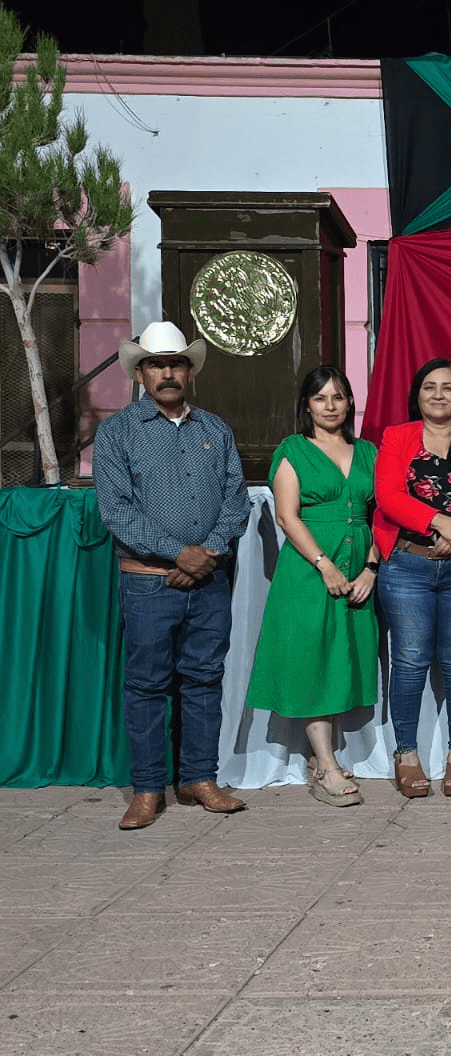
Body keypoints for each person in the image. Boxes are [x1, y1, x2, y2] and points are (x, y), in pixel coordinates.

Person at [96, 321, 251, 830]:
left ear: (190, 371)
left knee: (204, 679)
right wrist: (178, 554)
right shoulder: (117, 432)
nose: (167, 373)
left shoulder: (216, 430)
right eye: (156, 364)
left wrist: (204, 553)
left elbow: (237, 499)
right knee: (146, 684)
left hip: (208, 580)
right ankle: (146, 790)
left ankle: (198, 779)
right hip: (147, 581)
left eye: (176, 363)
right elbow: (117, 512)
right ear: (140, 373)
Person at [246, 366, 381, 807]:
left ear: (349, 403)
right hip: (308, 570)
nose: (329, 406)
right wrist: (324, 565)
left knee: (345, 657)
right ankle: (324, 764)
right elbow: (287, 515)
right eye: (320, 398)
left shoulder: (368, 452)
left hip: (358, 568)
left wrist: (371, 567)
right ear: (306, 404)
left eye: (338, 397)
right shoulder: (293, 450)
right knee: (313, 658)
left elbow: (382, 515)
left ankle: (331, 757)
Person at [373, 358, 451, 799]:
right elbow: (388, 497)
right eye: (429, 388)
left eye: (448, 388)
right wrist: (441, 522)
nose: (438, 395)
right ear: (417, 395)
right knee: (410, 662)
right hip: (407, 566)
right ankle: (407, 756)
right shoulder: (397, 437)